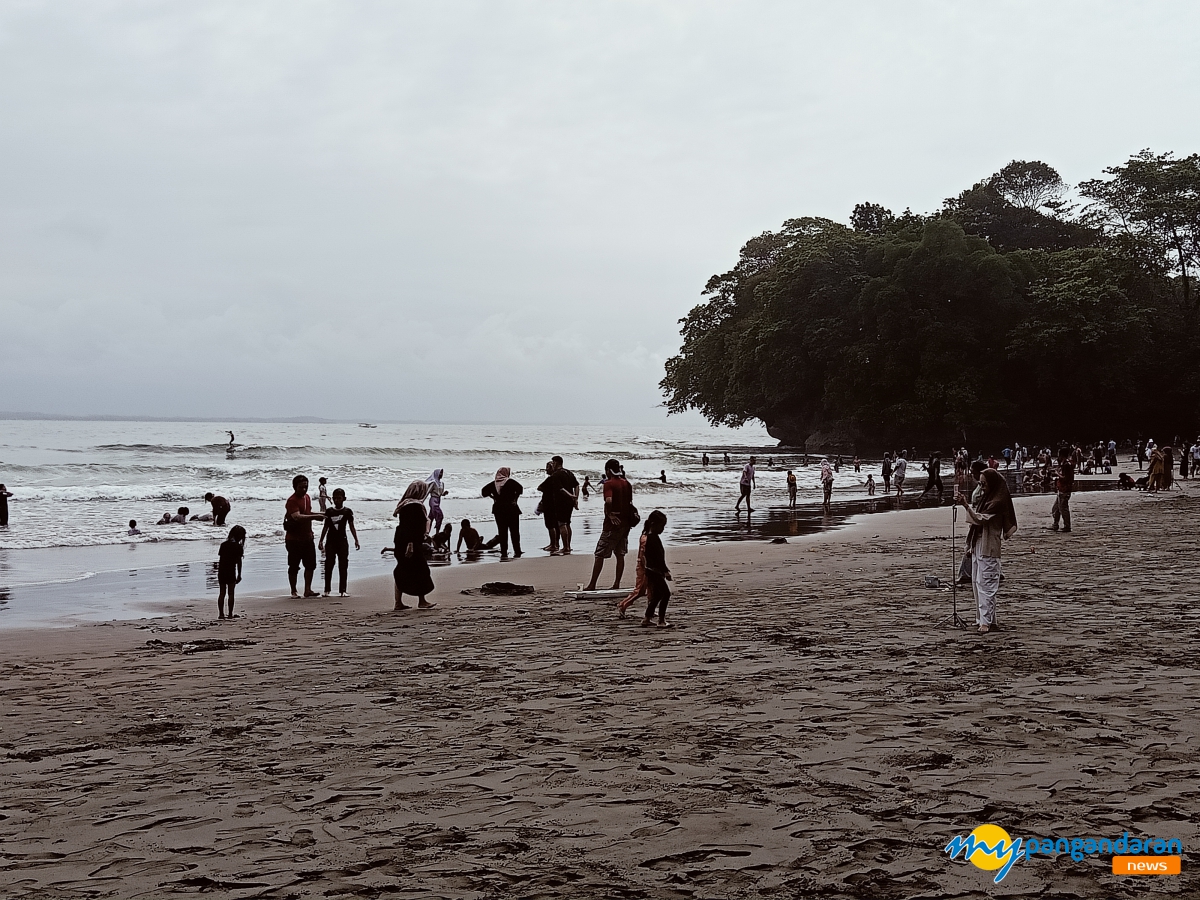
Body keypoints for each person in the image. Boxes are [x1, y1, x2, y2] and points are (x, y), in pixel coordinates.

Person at [958, 468, 1017, 634]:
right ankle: (984, 619)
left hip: (989, 548)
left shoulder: (997, 502)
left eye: (984, 484)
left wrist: (965, 506)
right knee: (977, 584)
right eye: (980, 483)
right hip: (978, 546)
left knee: (986, 585)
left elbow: (980, 519)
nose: (981, 487)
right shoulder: (988, 499)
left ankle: (986, 622)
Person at [585, 459, 632, 591]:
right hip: (626, 523)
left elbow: (609, 500)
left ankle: (592, 584)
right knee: (620, 554)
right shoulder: (626, 483)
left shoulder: (609, 484)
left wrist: (610, 514)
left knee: (599, 553)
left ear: (607, 471)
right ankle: (617, 583)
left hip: (612, 525)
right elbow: (629, 502)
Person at [390, 480, 435, 610]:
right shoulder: (415, 506)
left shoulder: (404, 504)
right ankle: (422, 601)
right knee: (421, 570)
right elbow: (410, 527)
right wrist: (410, 545)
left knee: (402, 571)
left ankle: (398, 602)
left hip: (400, 541)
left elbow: (404, 526)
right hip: (411, 543)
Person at [284, 475, 324, 598]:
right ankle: (294, 591)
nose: (304, 490)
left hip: (308, 537)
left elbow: (307, 513)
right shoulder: (292, 501)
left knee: (310, 565)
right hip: (293, 539)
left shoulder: (307, 497)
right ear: (294, 487)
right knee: (294, 566)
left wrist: (321, 515)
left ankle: (308, 590)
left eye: (306, 487)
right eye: (301, 487)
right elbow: (297, 516)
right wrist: (315, 517)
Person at [318, 488, 360, 597]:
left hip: (343, 542)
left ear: (344, 499)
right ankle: (327, 590)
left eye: (339, 498)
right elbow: (325, 527)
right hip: (330, 542)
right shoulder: (329, 511)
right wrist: (321, 540)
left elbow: (351, 526)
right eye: (335, 498)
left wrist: (356, 540)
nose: (337, 500)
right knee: (329, 564)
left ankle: (343, 590)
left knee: (343, 565)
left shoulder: (347, 512)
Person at [481, 467, 523, 559]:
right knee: (514, 531)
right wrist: (515, 499)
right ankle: (517, 550)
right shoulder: (510, 482)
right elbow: (520, 489)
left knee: (502, 531)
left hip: (498, 510)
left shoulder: (493, 484)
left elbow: (483, 492)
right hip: (511, 508)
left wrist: (493, 497)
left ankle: (504, 551)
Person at [640, 510, 672, 628]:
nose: (662, 529)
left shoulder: (648, 537)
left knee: (657, 595)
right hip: (655, 571)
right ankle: (661, 620)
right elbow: (658, 558)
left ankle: (647, 618)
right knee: (666, 594)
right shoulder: (653, 539)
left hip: (650, 570)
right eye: (661, 526)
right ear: (654, 524)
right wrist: (665, 571)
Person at [545, 456, 579, 553]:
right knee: (567, 523)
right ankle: (568, 546)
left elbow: (560, 489)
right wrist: (575, 497)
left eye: (553, 462)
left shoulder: (556, 475)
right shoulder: (569, 472)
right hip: (570, 502)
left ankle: (565, 547)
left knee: (562, 524)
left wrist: (571, 496)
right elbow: (576, 485)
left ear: (556, 463)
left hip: (561, 502)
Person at [616, 527, 649, 619]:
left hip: (645, 567)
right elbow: (643, 556)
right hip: (644, 568)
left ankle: (651, 609)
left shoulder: (645, 537)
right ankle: (623, 604)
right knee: (640, 590)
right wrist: (647, 568)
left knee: (650, 590)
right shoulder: (646, 539)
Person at [216, 525, 246, 619]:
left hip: (222, 570)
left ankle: (221, 614)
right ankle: (230, 614)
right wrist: (239, 574)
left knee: (222, 593)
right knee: (231, 593)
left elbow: (221, 558)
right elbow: (239, 562)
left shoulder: (223, 545)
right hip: (231, 570)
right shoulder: (238, 547)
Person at [536, 462, 559, 553]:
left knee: (550, 524)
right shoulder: (557, 479)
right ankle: (555, 543)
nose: (546, 469)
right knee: (555, 524)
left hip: (549, 503)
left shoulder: (550, 479)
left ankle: (553, 545)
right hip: (555, 503)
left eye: (547, 467)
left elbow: (540, 487)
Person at [1050, 448, 1074, 532]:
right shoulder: (1065, 464)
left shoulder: (1066, 465)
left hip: (1064, 489)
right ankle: (1055, 524)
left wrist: (1057, 474)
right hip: (1062, 488)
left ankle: (1067, 526)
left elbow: (1066, 478)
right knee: (1056, 508)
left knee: (1063, 508)